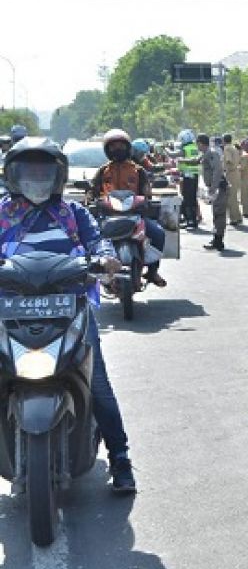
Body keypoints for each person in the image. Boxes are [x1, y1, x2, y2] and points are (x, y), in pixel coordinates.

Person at [0, 137, 136, 492]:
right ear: (13, 176)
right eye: (28, 172)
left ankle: (121, 459)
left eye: (44, 172)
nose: (36, 179)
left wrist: (107, 257)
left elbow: (98, 241)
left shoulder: (72, 213)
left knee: (98, 385)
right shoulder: (3, 212)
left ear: (58, 176)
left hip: (69, 307)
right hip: (8, 310)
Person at [91, 129, 167, 288]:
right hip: (108, 216)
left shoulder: (138, 170)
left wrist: (147, 202)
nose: (117, 149)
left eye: (120, 145)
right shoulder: (103, 171)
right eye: (113, 146)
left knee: (158, 233)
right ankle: (93, 272)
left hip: (134, 215)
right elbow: (92, 191)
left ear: (127, 147)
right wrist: (92, 201)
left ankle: (152, 271)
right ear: (107, 150)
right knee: (91, 238)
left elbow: (147, 193)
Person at [199, 134, 227, 251]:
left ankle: (219, 241)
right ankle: (216, 238)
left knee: (219, 214)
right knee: (216, 214)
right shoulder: (206, 154)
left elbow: (217, 170)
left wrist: (214, 187)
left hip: (218, 187)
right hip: (215, 187)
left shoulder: (212, 153)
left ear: (201, 143)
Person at [176, 129, 202, 229]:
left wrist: (165, 150)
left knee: (187, 198)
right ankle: (192, 219)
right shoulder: (195, 147)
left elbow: (173, 155)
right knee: (192, 198)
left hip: (188, 176)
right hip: (194, 175)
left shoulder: (185, 149)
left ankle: (190, 221)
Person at [222, 134, 244, 226]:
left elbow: (228, 160)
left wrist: (225, 167)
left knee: (231, 198)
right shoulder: (234, 148)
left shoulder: (227, 148)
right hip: (236, 173)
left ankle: (234, 218)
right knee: (234, 196)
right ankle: (238, 217)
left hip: (230, 173)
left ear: (224, 140)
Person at [238, 138, 248, 219]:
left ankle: (246, 212)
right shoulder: (246, 155)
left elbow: (242, 167)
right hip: (246, 177)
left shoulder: (243, 156)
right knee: (244, 196)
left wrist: (233, 168)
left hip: (243, 177)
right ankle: (245, 211)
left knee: (244, 196)